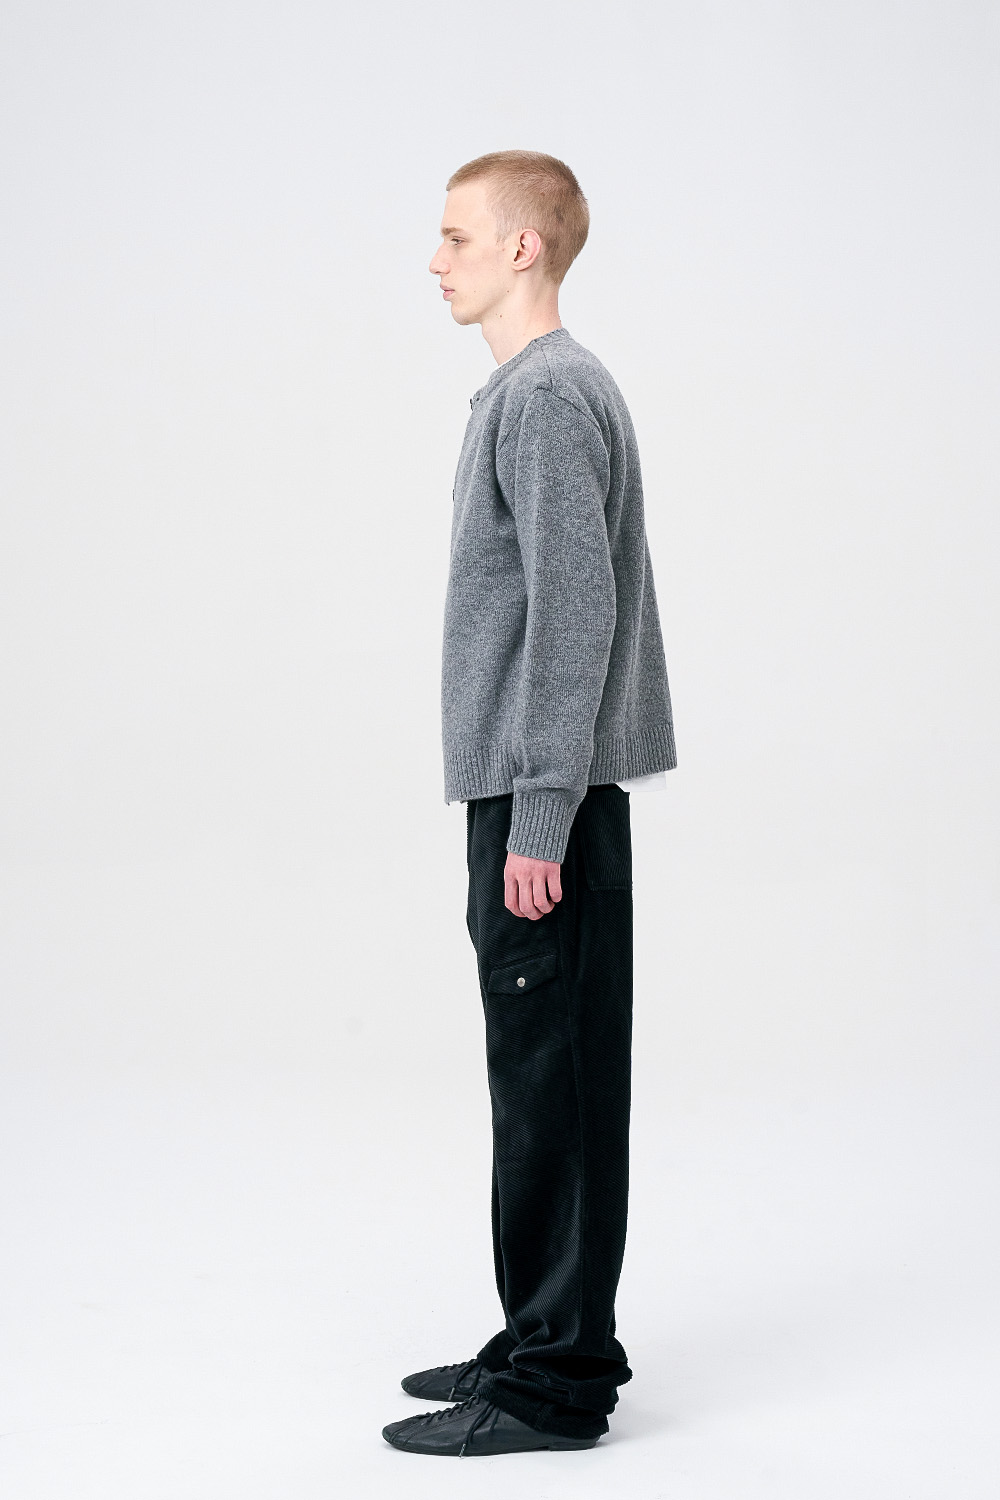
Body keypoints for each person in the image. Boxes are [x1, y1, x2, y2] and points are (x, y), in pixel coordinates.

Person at [382, 150, 677, 1459]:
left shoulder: (550, 395)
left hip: (539, 800)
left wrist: (541, 816)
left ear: (522, 248)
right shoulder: (530, 391)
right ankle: (536, 1338)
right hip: (525, 792)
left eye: (455, 237)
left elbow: (573, 618)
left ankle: (558, 1384)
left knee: (554, 1083)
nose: (434, 259)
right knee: (536, 1077)